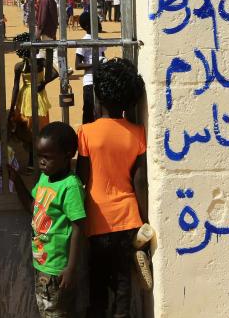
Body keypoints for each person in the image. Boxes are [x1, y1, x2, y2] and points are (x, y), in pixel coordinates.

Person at [76, 58, 148, 318]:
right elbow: (139, 181)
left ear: (97, 97)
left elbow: (82, 176)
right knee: (122, 282)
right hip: (128, 219)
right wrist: (144, 219)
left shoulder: (86, 132)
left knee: (97, 280)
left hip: (97, 218)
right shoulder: (138, 133)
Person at [10, 123, 86, 318]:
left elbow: (78, 227)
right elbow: (33, 207)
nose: (42, 162)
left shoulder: (70, 187)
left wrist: (70, 268)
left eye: (48, 157)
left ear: (68, 155)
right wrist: (17, 180)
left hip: (58, 269)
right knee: (47, 311)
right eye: (39, 156)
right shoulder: (45, 178)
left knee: (56, 313)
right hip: (42, 265)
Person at [8, 32, 58, 165]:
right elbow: (55, 72)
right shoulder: (40, 62)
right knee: (40, 127)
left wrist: (12, 107)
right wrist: (43, 83)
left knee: (28, 129)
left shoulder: (19, 66)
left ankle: (31, 160)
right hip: (38, 96)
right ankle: (41, 157)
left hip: (25, 97)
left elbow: (15, 88)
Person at [75, 11, 105, 124]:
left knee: (101, 110)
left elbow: (102, 56)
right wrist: (94, 64)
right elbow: (77, 65)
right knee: (88, 110)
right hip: (89, 81)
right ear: (87, 26)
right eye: (96, 22)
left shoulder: (100, 40)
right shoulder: (83, 41)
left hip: (100, 80)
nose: (99, 23)